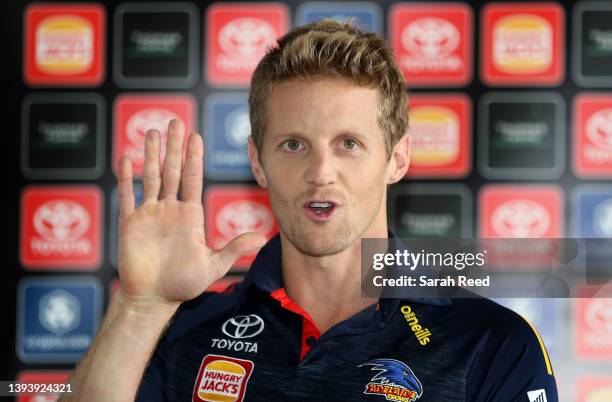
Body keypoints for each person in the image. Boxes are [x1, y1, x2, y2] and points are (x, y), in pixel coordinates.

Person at [61, 20, 558, 402]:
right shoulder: (184, 330)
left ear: (398, 157)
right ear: (258, 161)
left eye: (348, 143)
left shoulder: (491, 343)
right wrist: (138, 308)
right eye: (294, 144)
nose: (321, 171)